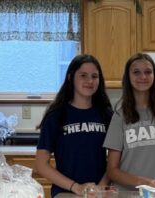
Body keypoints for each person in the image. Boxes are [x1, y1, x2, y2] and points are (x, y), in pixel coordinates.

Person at [104, 53, 155, 192]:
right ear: (128, 77)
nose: (143, 77)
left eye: (148, 72)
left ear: (154, 76)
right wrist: (144, 182)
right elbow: (112, 170)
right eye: (136, 72)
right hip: (128, 194)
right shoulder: (119, 116)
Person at [35, 54, 113, 197]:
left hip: (99, 192)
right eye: (83, 75)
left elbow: (115, 160)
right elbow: (41, 164)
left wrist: (100, 188)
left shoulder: (106, 115)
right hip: (66, 192)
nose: (90, 81)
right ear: (71, 78)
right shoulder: (56, 116)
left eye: (94, 76)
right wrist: (76, 187)